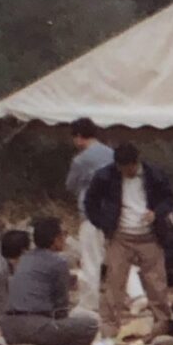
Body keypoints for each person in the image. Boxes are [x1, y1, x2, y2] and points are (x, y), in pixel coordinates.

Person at [82, 141, 173, 336]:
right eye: (122, 168)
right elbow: (90, 202)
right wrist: (103, 223)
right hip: (120, 236)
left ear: (136, 162)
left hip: (149, 235)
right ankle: (109, 326)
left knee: (156, 283)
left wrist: (156, 213)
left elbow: (169, 199)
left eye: (130, 167)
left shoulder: (154, 175)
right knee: (114, 284)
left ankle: (162, 324)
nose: (127, 171)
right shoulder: (105, 176)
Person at [0, 217, 99, 345]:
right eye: (64, 234)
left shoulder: (24, 258)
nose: (65, 238)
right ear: (56, 239)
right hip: (34, 326)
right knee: (90, 325)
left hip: (8, 327)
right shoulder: (58, 262)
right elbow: (61, 306)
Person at [65, 119, 115, 313]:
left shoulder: (81, 160)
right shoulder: (112, 154)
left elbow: (70, 185)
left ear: (78, 137)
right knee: (119, 256)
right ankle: (137, 295)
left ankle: (89, 302)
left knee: (91, 259)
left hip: (91, 214)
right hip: (113, 213)